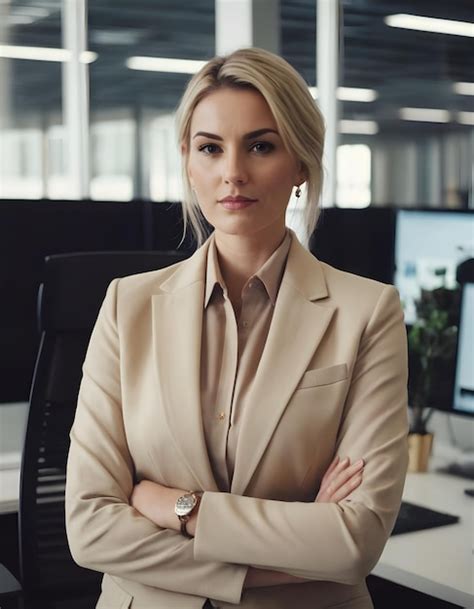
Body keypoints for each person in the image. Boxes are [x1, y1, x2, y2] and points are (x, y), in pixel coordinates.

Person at [65, 47, 409, 609]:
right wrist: (289, 559)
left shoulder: (368, 312)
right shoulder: (127, 306)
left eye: (260, 145)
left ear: (301, 163)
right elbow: (90, 527)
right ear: (188, 161)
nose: (232, 172)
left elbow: (354, 541)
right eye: (210, 148)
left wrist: (179, 507)